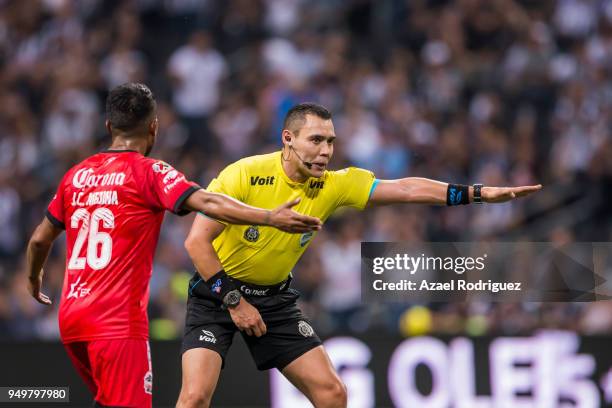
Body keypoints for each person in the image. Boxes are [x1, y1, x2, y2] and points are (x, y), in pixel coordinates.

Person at [177, 103, 542, 408]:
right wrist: (235, 301)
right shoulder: (244, 173)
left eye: (330, 142)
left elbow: (407, 189)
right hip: (218, 295)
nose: (325, 151)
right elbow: (196, 243)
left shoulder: (334, 184)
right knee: (194, 398)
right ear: (287, 139)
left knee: (333, 394)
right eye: (316, 140)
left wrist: (477, 193)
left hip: (273, 300)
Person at [25, 83, 321, 408]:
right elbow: (208, 201)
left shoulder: (76, 176)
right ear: (154, 126)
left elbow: (40, 239)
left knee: (109, 400)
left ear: (109, 126)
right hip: (116, 321)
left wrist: (33, 277)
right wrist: (268, 217)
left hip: (71, 317)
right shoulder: (149, 172)